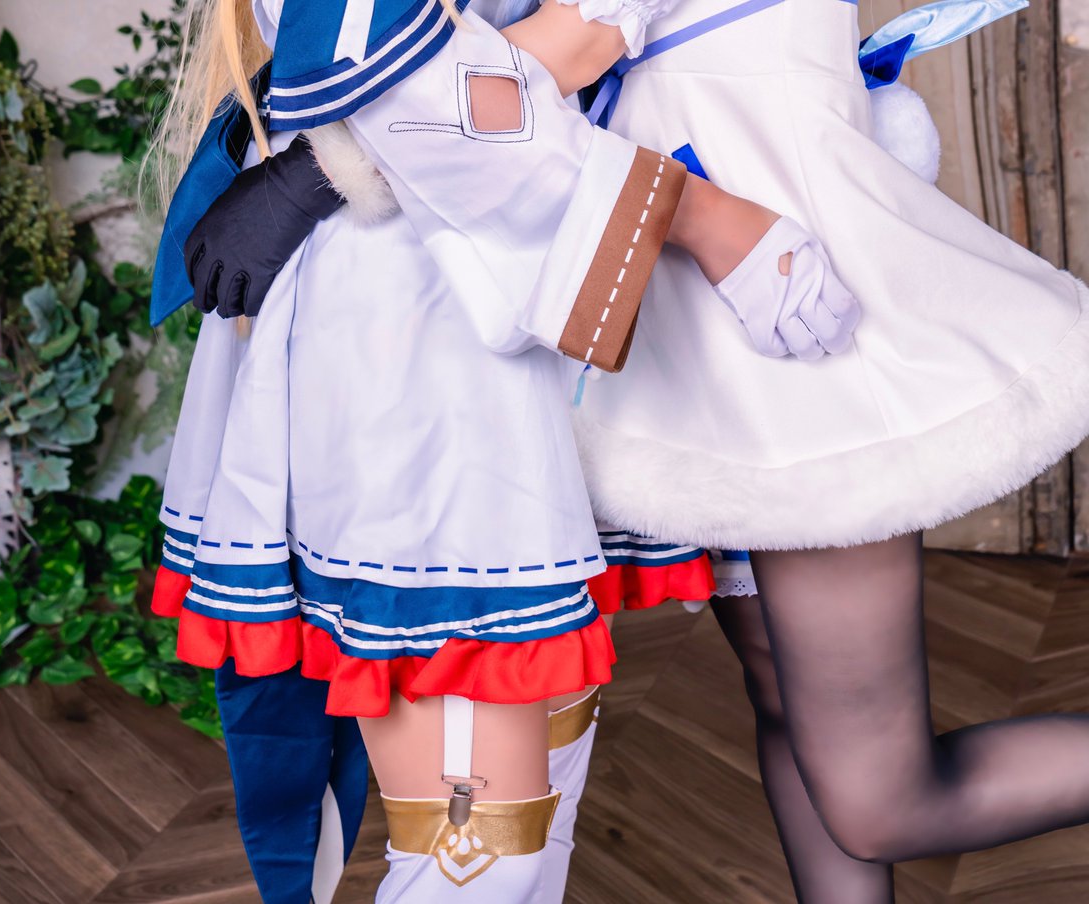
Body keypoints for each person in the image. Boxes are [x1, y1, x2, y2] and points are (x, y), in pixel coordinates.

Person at [146, 1, 858, 900]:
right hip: (418, 337)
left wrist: (324, 165)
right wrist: (699, 216)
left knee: (532, 818)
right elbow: (413, 72)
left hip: (519, 277)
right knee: (482, 858)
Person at [572, 1, 1089, 902]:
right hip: (697, 312)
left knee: (882, 802)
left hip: (787, 285)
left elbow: (520, 76)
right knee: (784, 692)